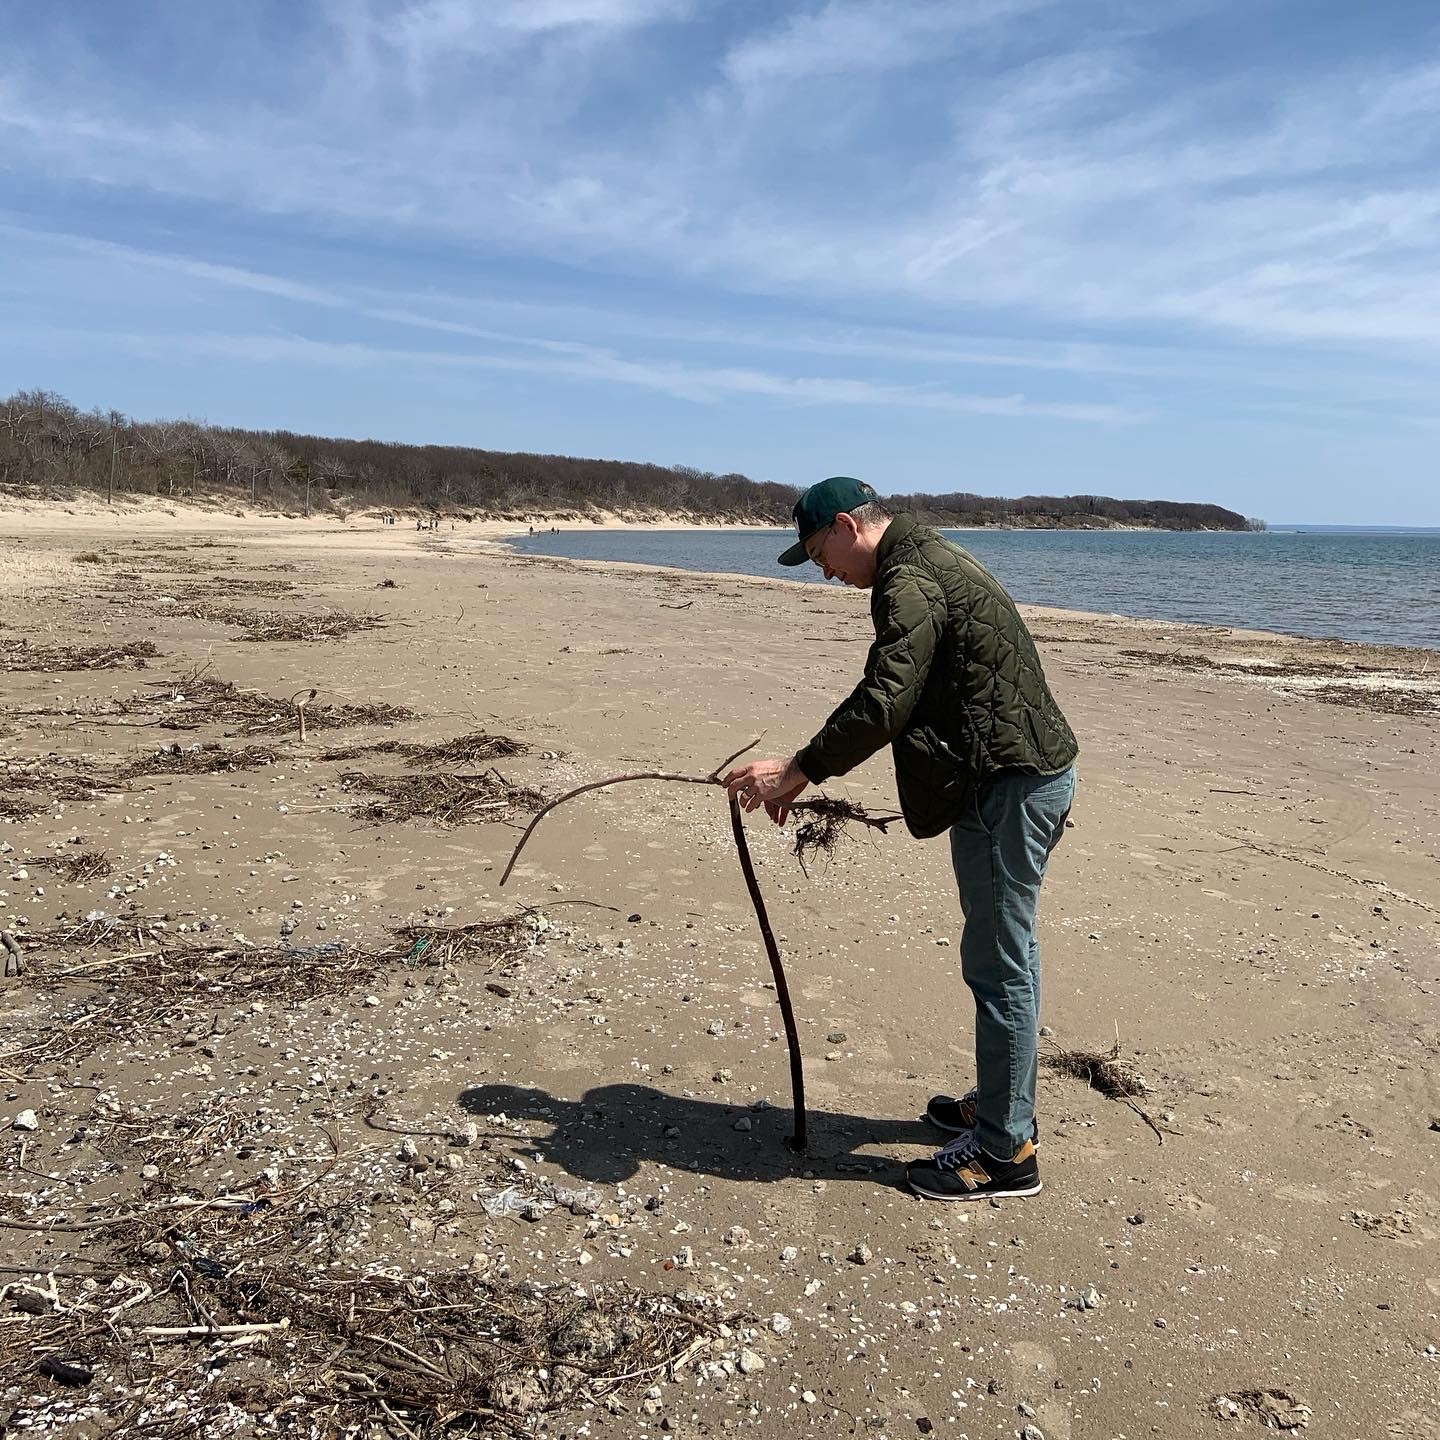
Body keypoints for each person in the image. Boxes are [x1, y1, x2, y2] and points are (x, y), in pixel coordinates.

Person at [724, 476, 1078, 1202]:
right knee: (1007, 953)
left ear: (850, 526)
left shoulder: (907, 578)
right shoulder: (924, 559)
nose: (824, 571)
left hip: (1011, 785)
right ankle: (1003, 1102)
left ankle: (1007, 1153)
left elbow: (887, 695)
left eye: (820, 551)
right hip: (1014, 776)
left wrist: (798, 771)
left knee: (999, 961)